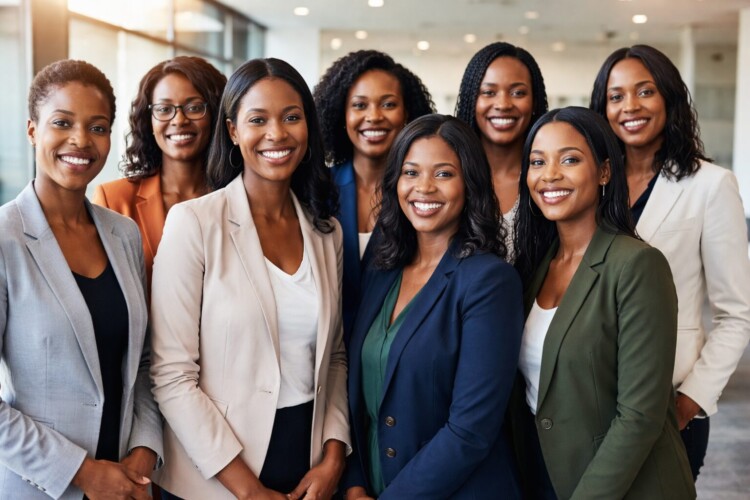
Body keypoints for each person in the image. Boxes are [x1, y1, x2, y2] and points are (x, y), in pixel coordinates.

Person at [149, 58, 350, 500]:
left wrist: (334, 457)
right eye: (257, 119)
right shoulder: (195, 223)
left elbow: (334, 356)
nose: (276, 134)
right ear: (234, 130)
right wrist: (248, 490)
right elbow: (171, 375)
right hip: (215, 475)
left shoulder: (326, 232)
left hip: (308, 466)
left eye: (291, 117)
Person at [512, 106, 695, 499]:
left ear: (605, 172)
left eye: (570, 159)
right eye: (538, 161)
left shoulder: (637, 265)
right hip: (547, 477)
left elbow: (640, 415)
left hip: (628, 488)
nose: (550, 175)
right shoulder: (534, 268)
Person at [0, 59, 162, 499]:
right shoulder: (5, 238)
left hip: (129, 485)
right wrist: (84, 473)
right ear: (32, 130)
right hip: (42, 488)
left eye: (97, 127)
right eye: (62, 123)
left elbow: (144, 361)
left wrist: (145, 449)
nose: (80, 140)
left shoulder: (123, 233)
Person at [342, 114, 523, 499]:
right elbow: (357, 397)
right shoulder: (381, 268)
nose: (424, 188)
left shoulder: (490, 282)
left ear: (469, 184)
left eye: (443, 174)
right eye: (411, 172)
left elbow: (470, 431)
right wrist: (354, 482)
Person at [590, 45, 750, 480]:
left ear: (669, 98)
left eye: (645, 91)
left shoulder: (711, 186)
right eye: (616, 96)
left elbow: (736, 314)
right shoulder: (591, 181)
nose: (631, 107)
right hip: (588, 401)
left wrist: (690, 402)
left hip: (667, 403)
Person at [313, 50, 434, 340]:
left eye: (388, 104)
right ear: (342, 114)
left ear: (407, 113)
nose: (374, 116)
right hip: (322, 355)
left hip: (393, 353)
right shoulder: (317, 189)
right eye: (359, 105)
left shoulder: (425, 196)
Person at [93, 56, 226, 287]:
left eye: (194, 107)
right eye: (164, 109)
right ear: (149, 120)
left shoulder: (239, 197)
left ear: (215, 114)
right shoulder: (114, 200)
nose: (179, 120)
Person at [455, 41, 548, 260]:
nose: (503, 104)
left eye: (518, 92)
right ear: (471, 99)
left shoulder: (550, 176)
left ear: (534, 101)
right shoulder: (451, 174)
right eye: (489, 92)